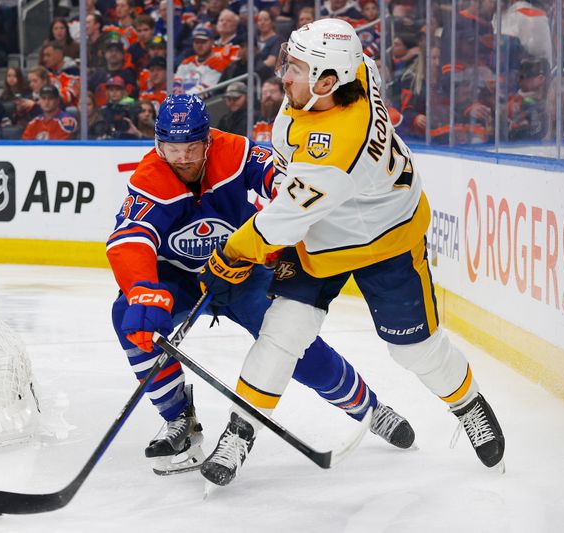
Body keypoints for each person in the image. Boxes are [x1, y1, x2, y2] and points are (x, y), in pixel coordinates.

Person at [197, 19, 506, 488]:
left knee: (414, 349)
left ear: (326, 81)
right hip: (321, 229)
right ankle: (242, 430)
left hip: (385, 239)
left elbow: (284, 219)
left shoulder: (337, 147)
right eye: (288, 62)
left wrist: (233, 253)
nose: (283, 76)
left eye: (295, 69)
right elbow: (297, 205)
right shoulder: (352, 71)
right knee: (282, 333)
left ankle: (467, 404)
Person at [107, 93, 415, 477]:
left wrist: (284, 203)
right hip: (181, 278)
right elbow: (130, 239)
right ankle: (178, 419)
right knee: (128, 317)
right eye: (171, 148)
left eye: (190, 147)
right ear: (158, 144)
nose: (182, 158)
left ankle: (370, 409)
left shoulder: (234, 152)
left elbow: (281, 178)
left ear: (208, 140)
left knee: (292, 344)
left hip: (240, 269)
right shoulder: (149, 178)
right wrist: (141, 288)